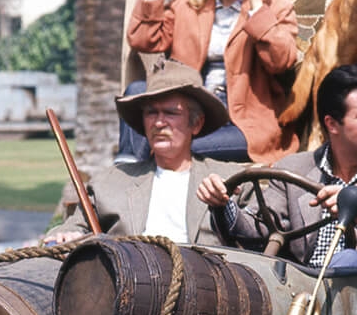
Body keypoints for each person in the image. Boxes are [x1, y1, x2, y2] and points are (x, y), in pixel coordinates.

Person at [198, 62, 357, 267]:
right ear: (332, 124)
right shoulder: (293, 169)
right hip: (300, 293)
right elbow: (259, 230)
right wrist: (223, 203)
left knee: (347, 260)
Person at [122, 0, 300, 165]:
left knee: (170, 148)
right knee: (137, 90)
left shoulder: (273, 6)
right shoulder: (189, 3)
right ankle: (129, 169)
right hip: (191, 110)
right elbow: (142, 38)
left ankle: (132, 173)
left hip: (243, 124)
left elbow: (281, 60)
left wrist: (255, 5)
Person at [43, 59, 243, 246]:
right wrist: (65, 234)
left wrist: (225, 207)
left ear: (196, 123)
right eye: (151, 112)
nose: (158, 122)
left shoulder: (229, 181)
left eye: (171, 113)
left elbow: (256, 236)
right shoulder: (110, 182)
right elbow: (74, 227)